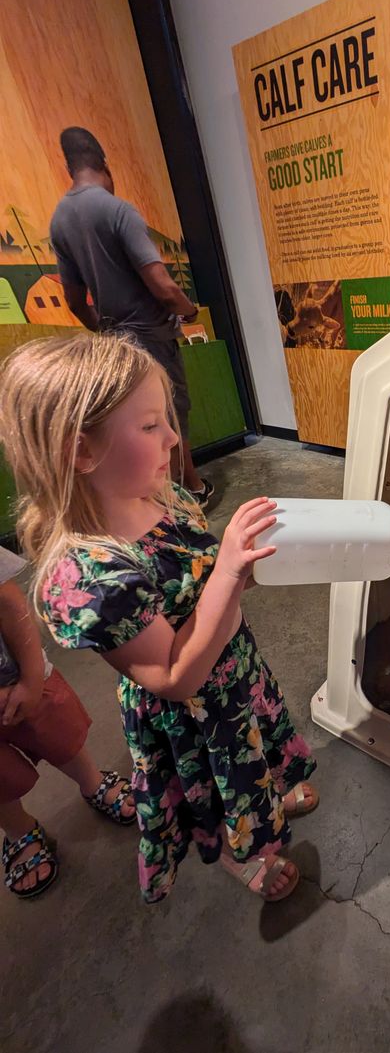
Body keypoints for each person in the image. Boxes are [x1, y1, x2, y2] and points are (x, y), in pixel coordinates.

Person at [0, 334, 318, 903]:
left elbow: (203, 582)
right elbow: (175, 677)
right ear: (82, 452)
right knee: (223, 791)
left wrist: (238, 568)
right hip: (196, 719)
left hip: (234, 674)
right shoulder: (89, 578)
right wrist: (226, 572)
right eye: (150, 426)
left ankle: (265, 798)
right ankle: (242, 854)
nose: (174, 437)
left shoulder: (159, 495)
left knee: (256, 758)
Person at [49, 126, 213, 507]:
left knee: (140, 422)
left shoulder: (60, 220)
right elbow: (161, 284)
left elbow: (74, 301)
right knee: (170, 418)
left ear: (69, 166)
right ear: (104, 164)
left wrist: (106, 329)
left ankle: (171, 494)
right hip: (152, 337)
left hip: (116, 342)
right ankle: (184, 500)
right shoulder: (116, 209)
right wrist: (188, 311)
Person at [0, 545, 136, 900]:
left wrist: (31, 679)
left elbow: (9, 603)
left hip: (21, 681)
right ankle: (18, 831)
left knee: (62, 737)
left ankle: (92, 783)